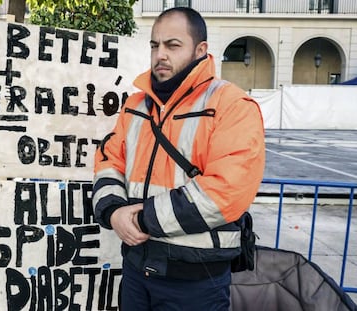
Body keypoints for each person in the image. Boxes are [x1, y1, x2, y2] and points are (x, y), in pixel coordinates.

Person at [92, 6, 265, 311]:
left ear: (200, 50)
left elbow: (226, 191)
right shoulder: (135, 105)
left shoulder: (232, 104)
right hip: (136, 269)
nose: (161, 54)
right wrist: (113, 212)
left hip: (196, 282)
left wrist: (142, 219)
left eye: (173, 45)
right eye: (155, 45)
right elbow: (109, 161)